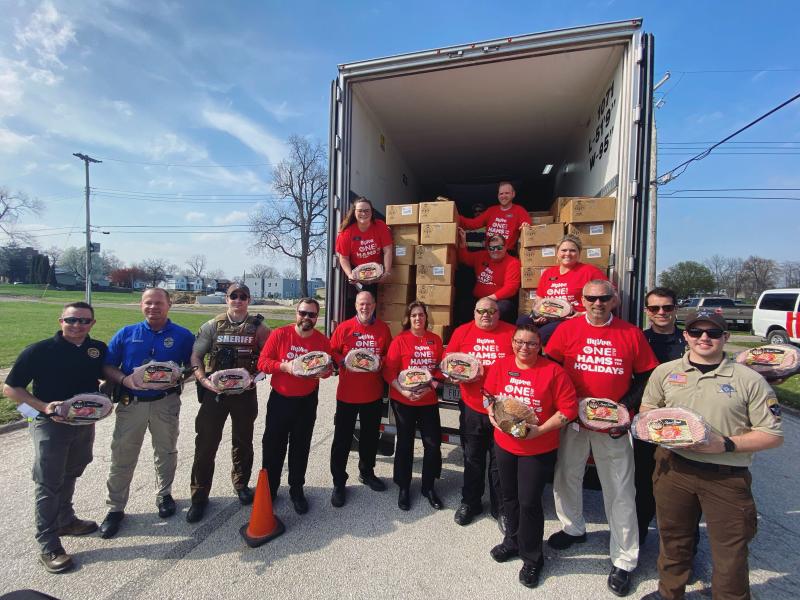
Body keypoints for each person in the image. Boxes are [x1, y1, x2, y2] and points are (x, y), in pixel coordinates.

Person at [639, 310, 783, 600]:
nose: (704, 338)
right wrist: (663, 429)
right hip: (673, 469)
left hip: (725, 476)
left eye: (713, 333)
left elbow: (772, 435)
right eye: (696, 332)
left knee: (730, 551)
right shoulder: (665, 372)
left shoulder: (749, 379)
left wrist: (725, 444)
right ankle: (669, 593)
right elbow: (647, 412)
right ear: (686, 336)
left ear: (725, 338)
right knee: (673, 539)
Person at [544, 280, 659, 597]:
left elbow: (647, 375)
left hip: (613, 426)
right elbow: (551, 366)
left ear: (614, 300)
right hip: (575, 420)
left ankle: (624, 558)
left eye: (603, 298)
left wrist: (625, 410)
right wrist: (562, 405)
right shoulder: (567, 330)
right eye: (591, 298)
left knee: (620, 489)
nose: (597, 303)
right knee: (567, 476)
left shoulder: (630, 333)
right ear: (582, 300)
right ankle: (573, 527)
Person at [3, 302, 107, 574]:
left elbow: (101, 376)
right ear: (61, 321)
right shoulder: (39, 351)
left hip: (83, 423)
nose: (77, 326)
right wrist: (44, 407)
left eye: (84, 321)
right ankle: (48, 544)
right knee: (48, 482)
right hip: (49, 424)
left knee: (73, 470)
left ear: (92, 324)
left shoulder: (96, 349)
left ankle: (65, 519)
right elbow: (11, 389)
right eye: (72, 320)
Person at [484, 324, 578, 589]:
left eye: (531, 343)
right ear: (512, 342)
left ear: (540, 346)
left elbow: (568, 408)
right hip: (505, 443)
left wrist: (540, 431)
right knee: (509, 496)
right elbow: (489, 396)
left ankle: (533, 557)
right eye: (519, 342)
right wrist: (492, 415)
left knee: (529, 502)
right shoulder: (501, 366)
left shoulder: (553, 372)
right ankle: (512, 541)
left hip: (537, 446)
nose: (524, 348)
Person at [99, 288, 195, 539]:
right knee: (122, 455)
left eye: (159, 303)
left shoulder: (183, 336)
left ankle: (164, 495)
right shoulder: (127, 333)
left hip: (165, 403)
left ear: (169, 305)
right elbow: (107, 366)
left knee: (166, 451)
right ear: (141, 305)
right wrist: (125, 380)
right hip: (132, 404)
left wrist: (179, 375)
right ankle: (115, 508)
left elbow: (195, 365)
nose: (154, 307)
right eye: (148, 303)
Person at [186, 283, 270, 523]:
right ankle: (199, 495)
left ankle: (241, 484)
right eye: (234, 296)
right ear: (227, 299)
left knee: (243, 441)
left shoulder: (259, 327)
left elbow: (269, 356)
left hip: (244, 394)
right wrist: (202, 380)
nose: (238, 300)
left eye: (243, 296)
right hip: (216, 394)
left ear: (249, 300)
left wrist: (256, 378)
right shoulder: (213, 325)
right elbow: (196, 356)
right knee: (205, 444)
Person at [257, 298, 332, 514]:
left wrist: (324, 372)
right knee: (273, 446)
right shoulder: (280, 334)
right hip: (280, 399)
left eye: (311, 315)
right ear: (296, 313)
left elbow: (327, 371)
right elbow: (263, 363)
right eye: (303, 313)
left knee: (300, 446)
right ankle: (269, 490)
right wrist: (284, 366)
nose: (306, 318)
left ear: (317, 318)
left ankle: (297, 489)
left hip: (306, 401)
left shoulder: (321, 341)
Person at [444, 297, 514, 527]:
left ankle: (500, 508)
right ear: (474, 313)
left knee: (499, 461)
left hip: (503, 409)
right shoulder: (462, 332)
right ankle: (470, 502)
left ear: (498, 313)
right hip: (472, 406)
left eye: (491, 311)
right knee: (472, 457)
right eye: (481, 311)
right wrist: (452, 375)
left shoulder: (512, 333)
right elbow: (447, 363)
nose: (486, 315)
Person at [328, 290, 392, 507]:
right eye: (361, 304)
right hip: (347, 395)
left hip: (372, 394)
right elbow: (331, 351)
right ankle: (338, 481)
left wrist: (381, 362)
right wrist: (343, 361)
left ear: (375, 305)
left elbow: (387, 355)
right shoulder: (344, 328)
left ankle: (367, 472)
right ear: (356, 306)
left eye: (368, 304)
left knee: (369, 438)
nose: (365, 307)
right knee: (342, 440)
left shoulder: (383, 329)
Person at [635, 287, 687, 544]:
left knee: (680, 491)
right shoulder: (638, 339)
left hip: (682, 425)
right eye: (655, 308)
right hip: (646, 422)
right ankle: (639, 536)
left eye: (667, 307)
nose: (661, 312)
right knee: (643, 483)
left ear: (676, 309)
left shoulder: (690, 341)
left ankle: (682, 549)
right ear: (647, 312)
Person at [382, 301, 445, 511]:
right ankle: (404, 487)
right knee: (405, 445)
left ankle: (428, 486)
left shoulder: (435, 340)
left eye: (421, 315)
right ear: (408, 318)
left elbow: (439, 371)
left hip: (428, 401)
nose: (418, 318)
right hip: (404, 401)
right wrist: (404, 391)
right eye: (414, 315)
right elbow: (388, 372)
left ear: (427, 317)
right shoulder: (400, 341)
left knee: (433, 445)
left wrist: (430, 389)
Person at [520, 234, 607, 344]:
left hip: (572, 318)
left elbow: (612, 299)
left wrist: (584, 314)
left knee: (541, 334)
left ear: (579, 253)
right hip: (549, 316)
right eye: (564, 250)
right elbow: (539, 300)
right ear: (557, 253)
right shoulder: (548, 273)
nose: (568, 254)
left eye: (572, 250)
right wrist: (537, 315)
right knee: (522, 321)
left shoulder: (590, 272)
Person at [457, 231, 521, 323]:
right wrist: (463, 244)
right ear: (488, 248)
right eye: (491, 248)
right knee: (463, 306)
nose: (495, 250)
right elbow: (465, 258)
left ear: (505, 247)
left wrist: (489, 299)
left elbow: (511, 288)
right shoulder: (481, 255)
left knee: (504, 308)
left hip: (498, 301)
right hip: (478, 298)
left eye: (499, 247)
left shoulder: (513, 263)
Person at [335, 197, 393, 295]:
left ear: (371, 212)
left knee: (374, 300)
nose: (363, 214)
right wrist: (350, 275)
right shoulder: (346, 232)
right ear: (354, 212)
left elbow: (388, 250)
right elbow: (344, 258)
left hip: (377, 272)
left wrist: (387, 272)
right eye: (360, 211)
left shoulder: (380, 226)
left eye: (367, 211)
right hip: (358, 273)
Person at [458, 181, 531, 250]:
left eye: (507, 193)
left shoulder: (519, 210)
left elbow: (526, 226)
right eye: (501, 194)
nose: (503, 196)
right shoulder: (491, 210)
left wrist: (525, 226)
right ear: (498, 195)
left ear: (513, 194)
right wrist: (454, 216)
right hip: (489, 253)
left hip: (507, 254)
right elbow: (473, 224)